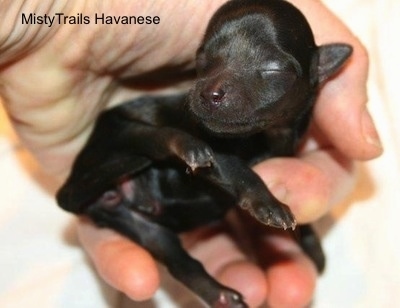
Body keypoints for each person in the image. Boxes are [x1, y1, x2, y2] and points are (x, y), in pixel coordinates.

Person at [0, 1, 382, 307]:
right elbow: (234, 170)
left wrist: (305, 233)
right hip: (123, 153)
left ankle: (212, 291)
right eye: (207, 60)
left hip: (144, 209)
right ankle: (168, 141)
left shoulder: (274, 131)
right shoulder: (214, 125)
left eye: (271, 69)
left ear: (321, 70)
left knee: (166, 246)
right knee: (176, 156)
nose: (217, 86)